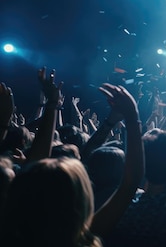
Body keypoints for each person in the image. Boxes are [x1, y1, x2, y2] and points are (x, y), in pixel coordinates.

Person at [0, 73, 144, 246]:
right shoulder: (82, 239)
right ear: (81, 197)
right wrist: (132, 118)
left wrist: (6, 122)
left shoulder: (11, 234)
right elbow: (130, 182)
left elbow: (36, 165)